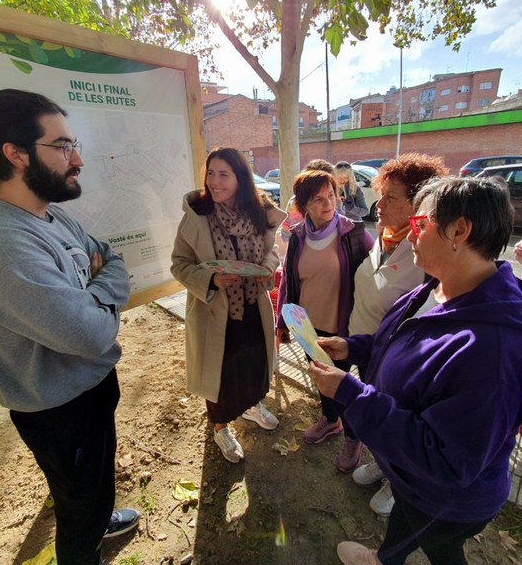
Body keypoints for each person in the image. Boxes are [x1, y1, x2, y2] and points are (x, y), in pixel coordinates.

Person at [309, 177, 522, 565]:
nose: (410, 236)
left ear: (459, 230)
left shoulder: (496, 352)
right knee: (405, 525)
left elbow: (446, 459)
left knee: (441, 547)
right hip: (412, 480)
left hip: (446, 499)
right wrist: (355, 347)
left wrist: (351, 394)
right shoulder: (439, 288)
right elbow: (405, 342)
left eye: (420, 225)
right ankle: (384, 558)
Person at [0, 89, 139, 565]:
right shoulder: (0, 241)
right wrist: (100, 295)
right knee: (77, 506)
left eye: (74, 144)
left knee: (92, 487)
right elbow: (91, 335)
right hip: (59, 408)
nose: (77, 159)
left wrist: (95, 293)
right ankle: (85, 548)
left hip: (90, 388)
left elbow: (114, 259)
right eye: (61, 146)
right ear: (16, 154)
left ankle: (98, 520)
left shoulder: (52, 215)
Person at [171, 147, 286, 463]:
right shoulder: (197, 216)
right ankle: (220, 427)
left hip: (253, 306)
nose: (215, 182)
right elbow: (179, 264)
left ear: (241, 179)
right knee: (219, 375)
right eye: (211, 173)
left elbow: (272, 251)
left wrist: (267, 267)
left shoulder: (257, 212)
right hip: (215, 312)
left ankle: (251, 406)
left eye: (224, 174)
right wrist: (211, 280)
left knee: (253, 363)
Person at [347, 154, 448, 512]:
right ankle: (383, 462)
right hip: (365, 348)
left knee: (398, 417)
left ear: (419, 205)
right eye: (381, 194)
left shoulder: (426, 255)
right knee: (376, 414)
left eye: (391, 198)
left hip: (399, 360)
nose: (379, 205)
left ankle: (398, 479)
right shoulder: (384, 236)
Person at [275, 168, 373, 472]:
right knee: (320, 377)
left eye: (331, 195)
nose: (328, 203)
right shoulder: (298, 236)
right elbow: (289, 281)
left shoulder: (354, 234)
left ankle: (353, 437)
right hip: (307, 327)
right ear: (304, 204)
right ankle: (331, 421)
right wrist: (283, 321)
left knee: (343, 385)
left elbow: (376, 275)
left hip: (343, 329)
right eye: (318, 199)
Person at [334, 161, 369, 225]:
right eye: (340, 177)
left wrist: (352, 208)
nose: (342, 180)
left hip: (353, 225)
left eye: (345, 177)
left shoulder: (355, 189)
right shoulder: (332, 189)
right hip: (337, 225)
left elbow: (365, 211)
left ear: (350, 177)